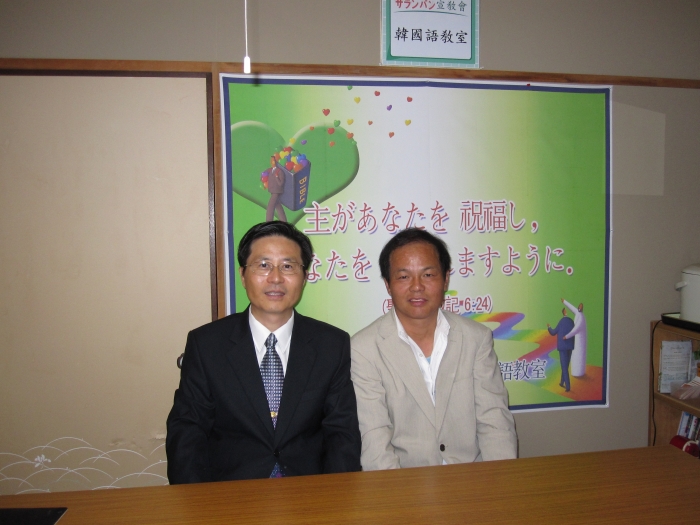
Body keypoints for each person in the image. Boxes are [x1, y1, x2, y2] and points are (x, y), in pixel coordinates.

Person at [166, 221, 361, 483]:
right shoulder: (207, 345)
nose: (276, 278)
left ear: (304, 277)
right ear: (243, 275)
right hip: (230, 492)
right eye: (263, 265)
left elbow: (342, 434)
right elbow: (188, 431)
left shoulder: (331, 344)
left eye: (288, 266)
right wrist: (196, 501)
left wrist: (336, 498)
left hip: (308, 492)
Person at [350, 228, 517, 470]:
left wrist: (499, 484)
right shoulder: (364, 348)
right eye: (404, 277)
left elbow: (495, 422)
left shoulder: (476, 338)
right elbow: (374, 437)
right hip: (406, 482)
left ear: (446, 279)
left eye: (428, 274)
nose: (417, 286)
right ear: (388, 284)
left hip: (472, 478)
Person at [547, 308, 575, 392]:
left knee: (564, 367)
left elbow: (553, 332)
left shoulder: (561, 322)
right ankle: (562, 382)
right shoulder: (571, 321)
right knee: (566, 366)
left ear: (563, 313)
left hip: (562, 347)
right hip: (570, 346)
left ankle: (568, 386)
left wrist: (549, 327)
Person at [562, 298, 587, 377]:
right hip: (576, 340)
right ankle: (575, 372)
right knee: (574, 356)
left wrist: (566, 336)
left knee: (579, 357)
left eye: (581, 307)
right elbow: (572, 308)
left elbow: (576, 330)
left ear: (582, 308)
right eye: (579, 306)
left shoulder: (581, 318)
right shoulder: (578, 313)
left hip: (580, 342)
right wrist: (564, 302)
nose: (579, 307)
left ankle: (579, 373)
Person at [265, 156, 287, 222]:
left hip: (276, 191)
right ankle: (284, 221)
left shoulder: (279, 171)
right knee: (278, 205)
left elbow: (281, 183)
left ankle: (268, 222)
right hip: (272, 191)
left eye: (273, 161)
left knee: (270, 206)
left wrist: (277, 177)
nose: (272, 162)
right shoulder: (270, 170)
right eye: (271, 160)